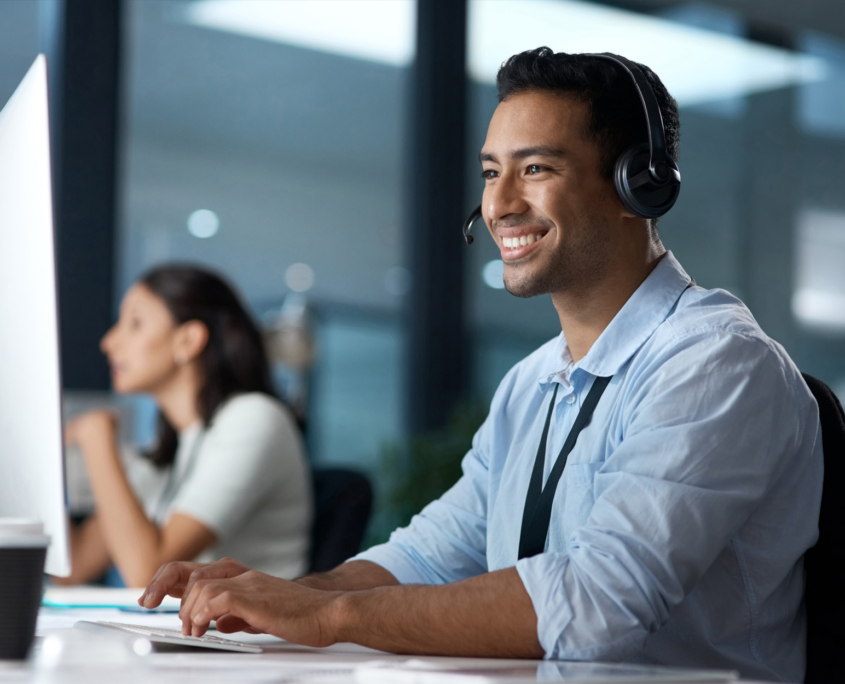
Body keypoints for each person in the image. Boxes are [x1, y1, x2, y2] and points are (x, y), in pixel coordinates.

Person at [139, 49, 822, 682]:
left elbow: (594, 605)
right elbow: (429, 555)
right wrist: (281, 596)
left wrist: (327, 618)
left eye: (535, 169)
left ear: (634, 185)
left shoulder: (715, 364)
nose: (498, 205)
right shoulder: (533, 383)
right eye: (491, 172)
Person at [59, 264, 312, 587]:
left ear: (188, 340)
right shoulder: (174, 446)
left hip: (240, 635)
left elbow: (147, 573)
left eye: (134, 324)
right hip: (187, 631)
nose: (109, 342)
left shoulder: (254, 420)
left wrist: (97, 439)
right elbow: (74, 567)